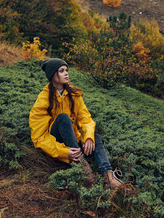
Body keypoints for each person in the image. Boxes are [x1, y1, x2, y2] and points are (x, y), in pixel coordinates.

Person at [29, 58, 123, 189]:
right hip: (56, 143)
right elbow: (39, 138)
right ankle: (83, 168)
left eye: (66, 70)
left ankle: (108, 176)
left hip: (72, 140)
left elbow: (85, 118)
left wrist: (88, 137)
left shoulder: (74, 94)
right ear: (52, 75)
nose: (66, 73)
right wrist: (64, 152)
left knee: (96, 137)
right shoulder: (43, 100)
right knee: (63, 118)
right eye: (61, 71)